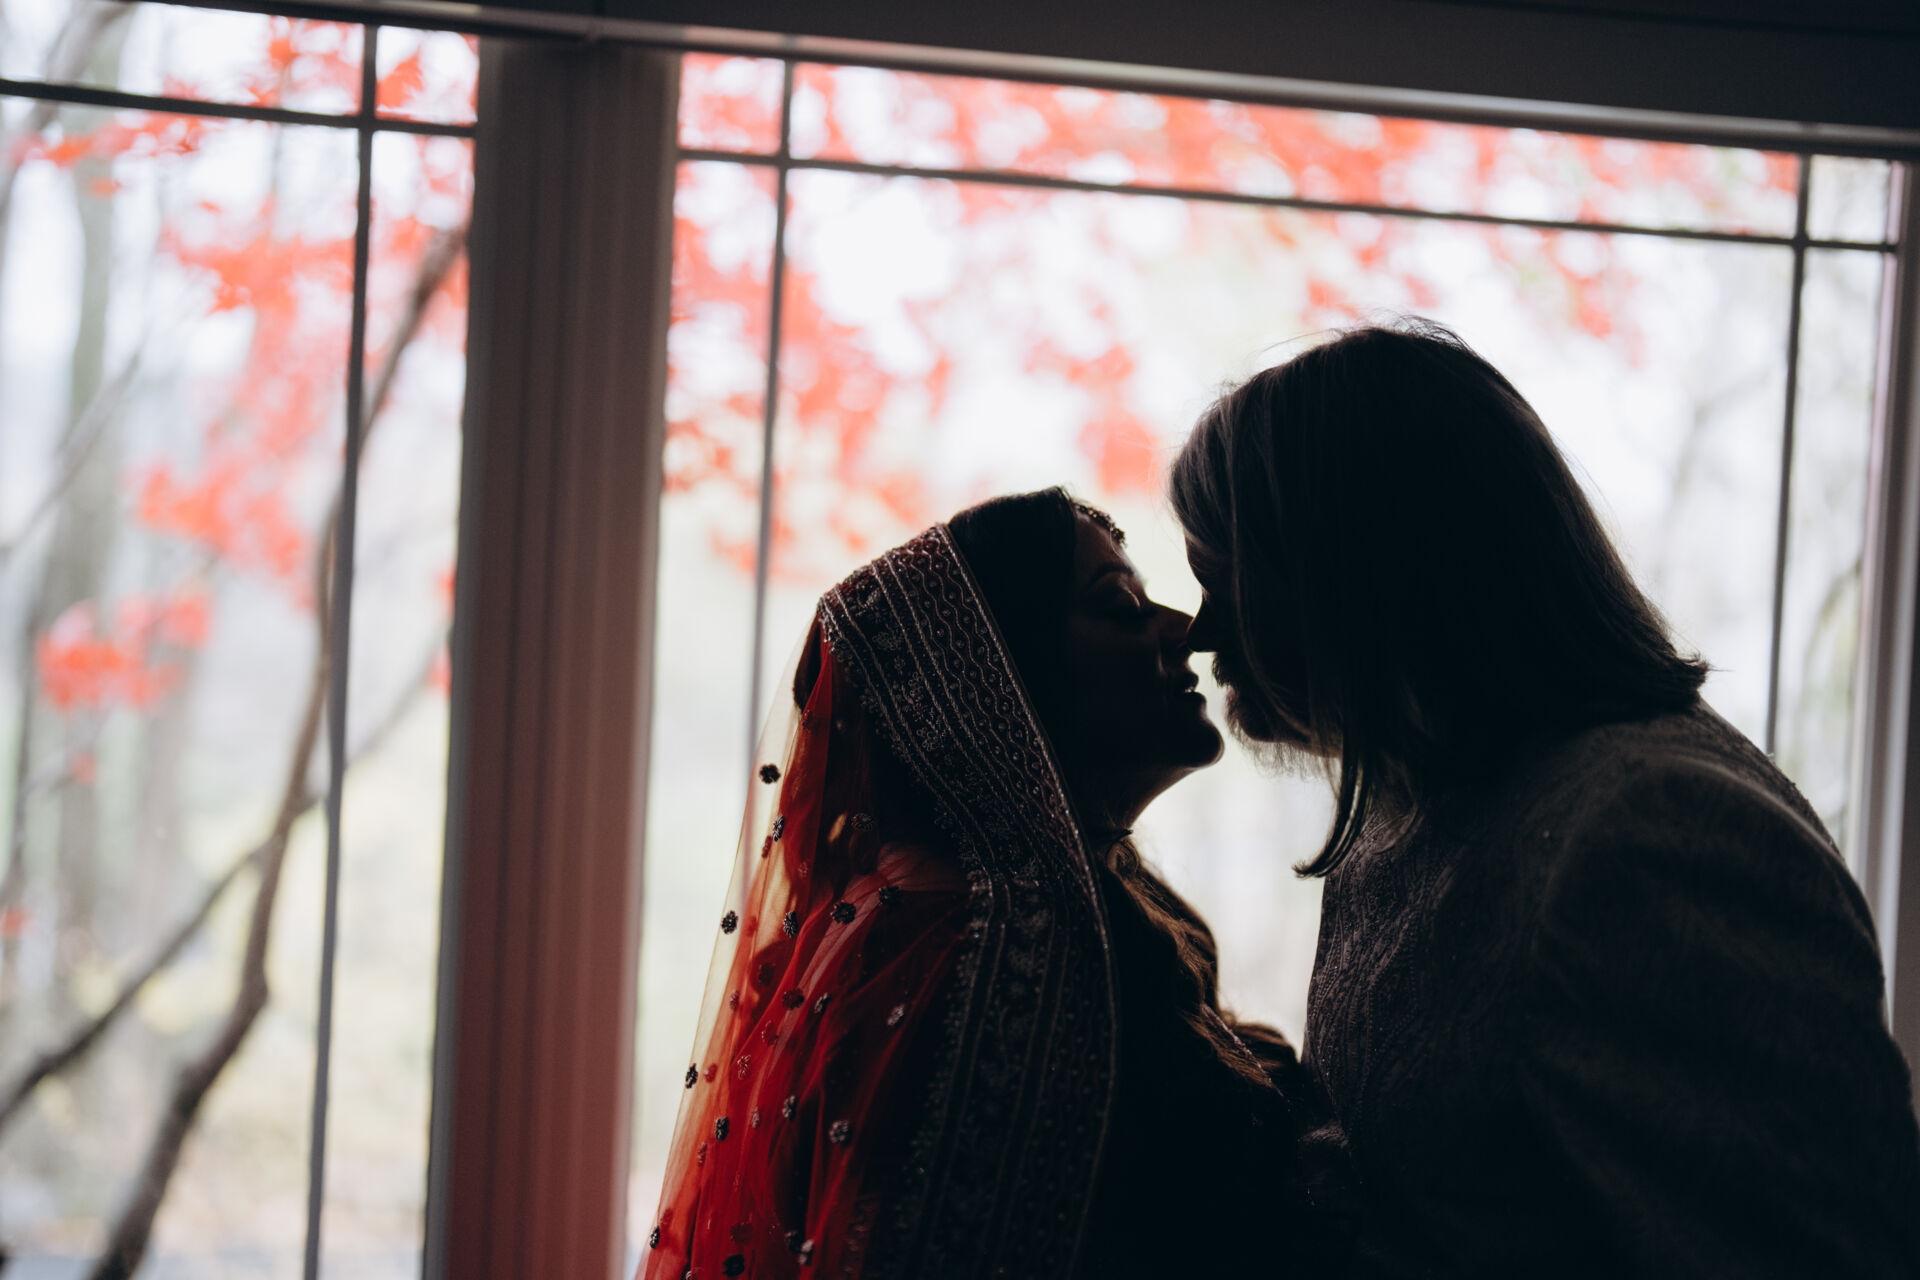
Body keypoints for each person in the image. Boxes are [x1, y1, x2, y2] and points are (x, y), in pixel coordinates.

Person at [1169, 319, 1920, 1276]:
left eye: (1222, 582)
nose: (1199, 633)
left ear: (1348, 573)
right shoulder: (1424, 805)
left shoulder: (1654, 836)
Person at [640, 489, 1348, 1280]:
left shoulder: (988, 913)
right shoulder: (981, 949)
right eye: (1121, 609)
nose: (1184, 628)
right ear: (995, 683)